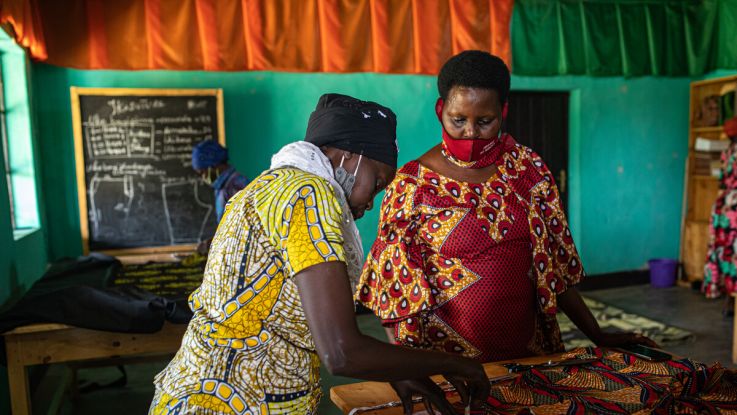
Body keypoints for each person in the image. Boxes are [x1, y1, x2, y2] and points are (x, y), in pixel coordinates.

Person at [150, 94, 490, 415]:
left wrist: (395, 369)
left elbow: (303, 318)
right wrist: (454, 363)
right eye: (376, 184)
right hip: (228, 399)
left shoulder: (273, 185)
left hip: (205, 390)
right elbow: (341, 352)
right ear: (348, 156)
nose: (370, 202)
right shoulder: (310, 194)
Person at [356, 50, 656, 364]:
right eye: (458, 120)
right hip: (448, 364)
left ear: (504, 112)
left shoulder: (529, 170)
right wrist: (413, 372)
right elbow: (392, 293)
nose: (471, 132)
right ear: (440, 110)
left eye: (485, 121)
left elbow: (554, 269)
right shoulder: (412, 185)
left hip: (532, 357)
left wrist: (598, 334)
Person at [703, 117, 737, 311]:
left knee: (724, 253)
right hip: (733, 210)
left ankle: (729, 299)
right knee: (733, 254)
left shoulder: (727, 152)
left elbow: (722, 182)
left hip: (722, 206)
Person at [192, 139, 250, 223]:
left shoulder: (236, 185)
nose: (202, 177)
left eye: (202, 172)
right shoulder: (221, 187)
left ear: (213, 166)